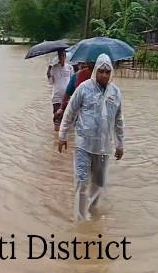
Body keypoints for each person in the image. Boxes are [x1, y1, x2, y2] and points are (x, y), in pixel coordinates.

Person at [57, 53, 125, 221]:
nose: (104, 75)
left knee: (99, 183)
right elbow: (70, 111)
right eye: (101, 71)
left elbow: (118, 119)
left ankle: (92, 212)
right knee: (81, 181)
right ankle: (80, 221)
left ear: (111, 73)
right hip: (83, 144)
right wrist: (62, 135)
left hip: (103, 146)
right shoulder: (84, 88)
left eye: (107, 72)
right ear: (96, 71)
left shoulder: (115, 93)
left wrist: (120, 143)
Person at [47, 49, 74, 131]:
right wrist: (48, 74)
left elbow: (72, 82)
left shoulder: (70, 67)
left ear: (65, 56)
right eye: (60, 55)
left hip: (68, 97)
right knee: (57, 119)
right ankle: (56, 137)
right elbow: (51, 82)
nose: (61, 57)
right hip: (57, 97)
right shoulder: (54, 68)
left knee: (68, 119)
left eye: (63, 55)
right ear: (58, 56)